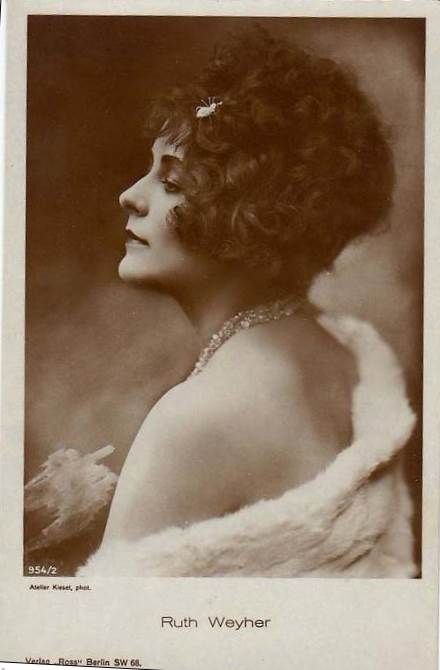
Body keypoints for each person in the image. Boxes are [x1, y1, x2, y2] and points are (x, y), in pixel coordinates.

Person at [77, 26, 417, 577]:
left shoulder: (196, 418)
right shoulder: (348, 356)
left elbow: (110, 627)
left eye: (173, 182)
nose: (130, 196)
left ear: (250, 214)